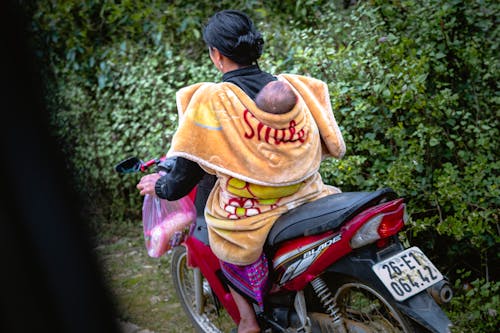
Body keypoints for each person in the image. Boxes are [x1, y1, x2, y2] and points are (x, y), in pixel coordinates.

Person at [136, 9, 345, 333]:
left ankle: (248, 321)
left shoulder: (212, 99)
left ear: (216, 55)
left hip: (255, 209)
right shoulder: (289, 88)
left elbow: (185, 172)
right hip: (307, 193)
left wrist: (161, 187)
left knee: (224, 231)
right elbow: (327, 143)